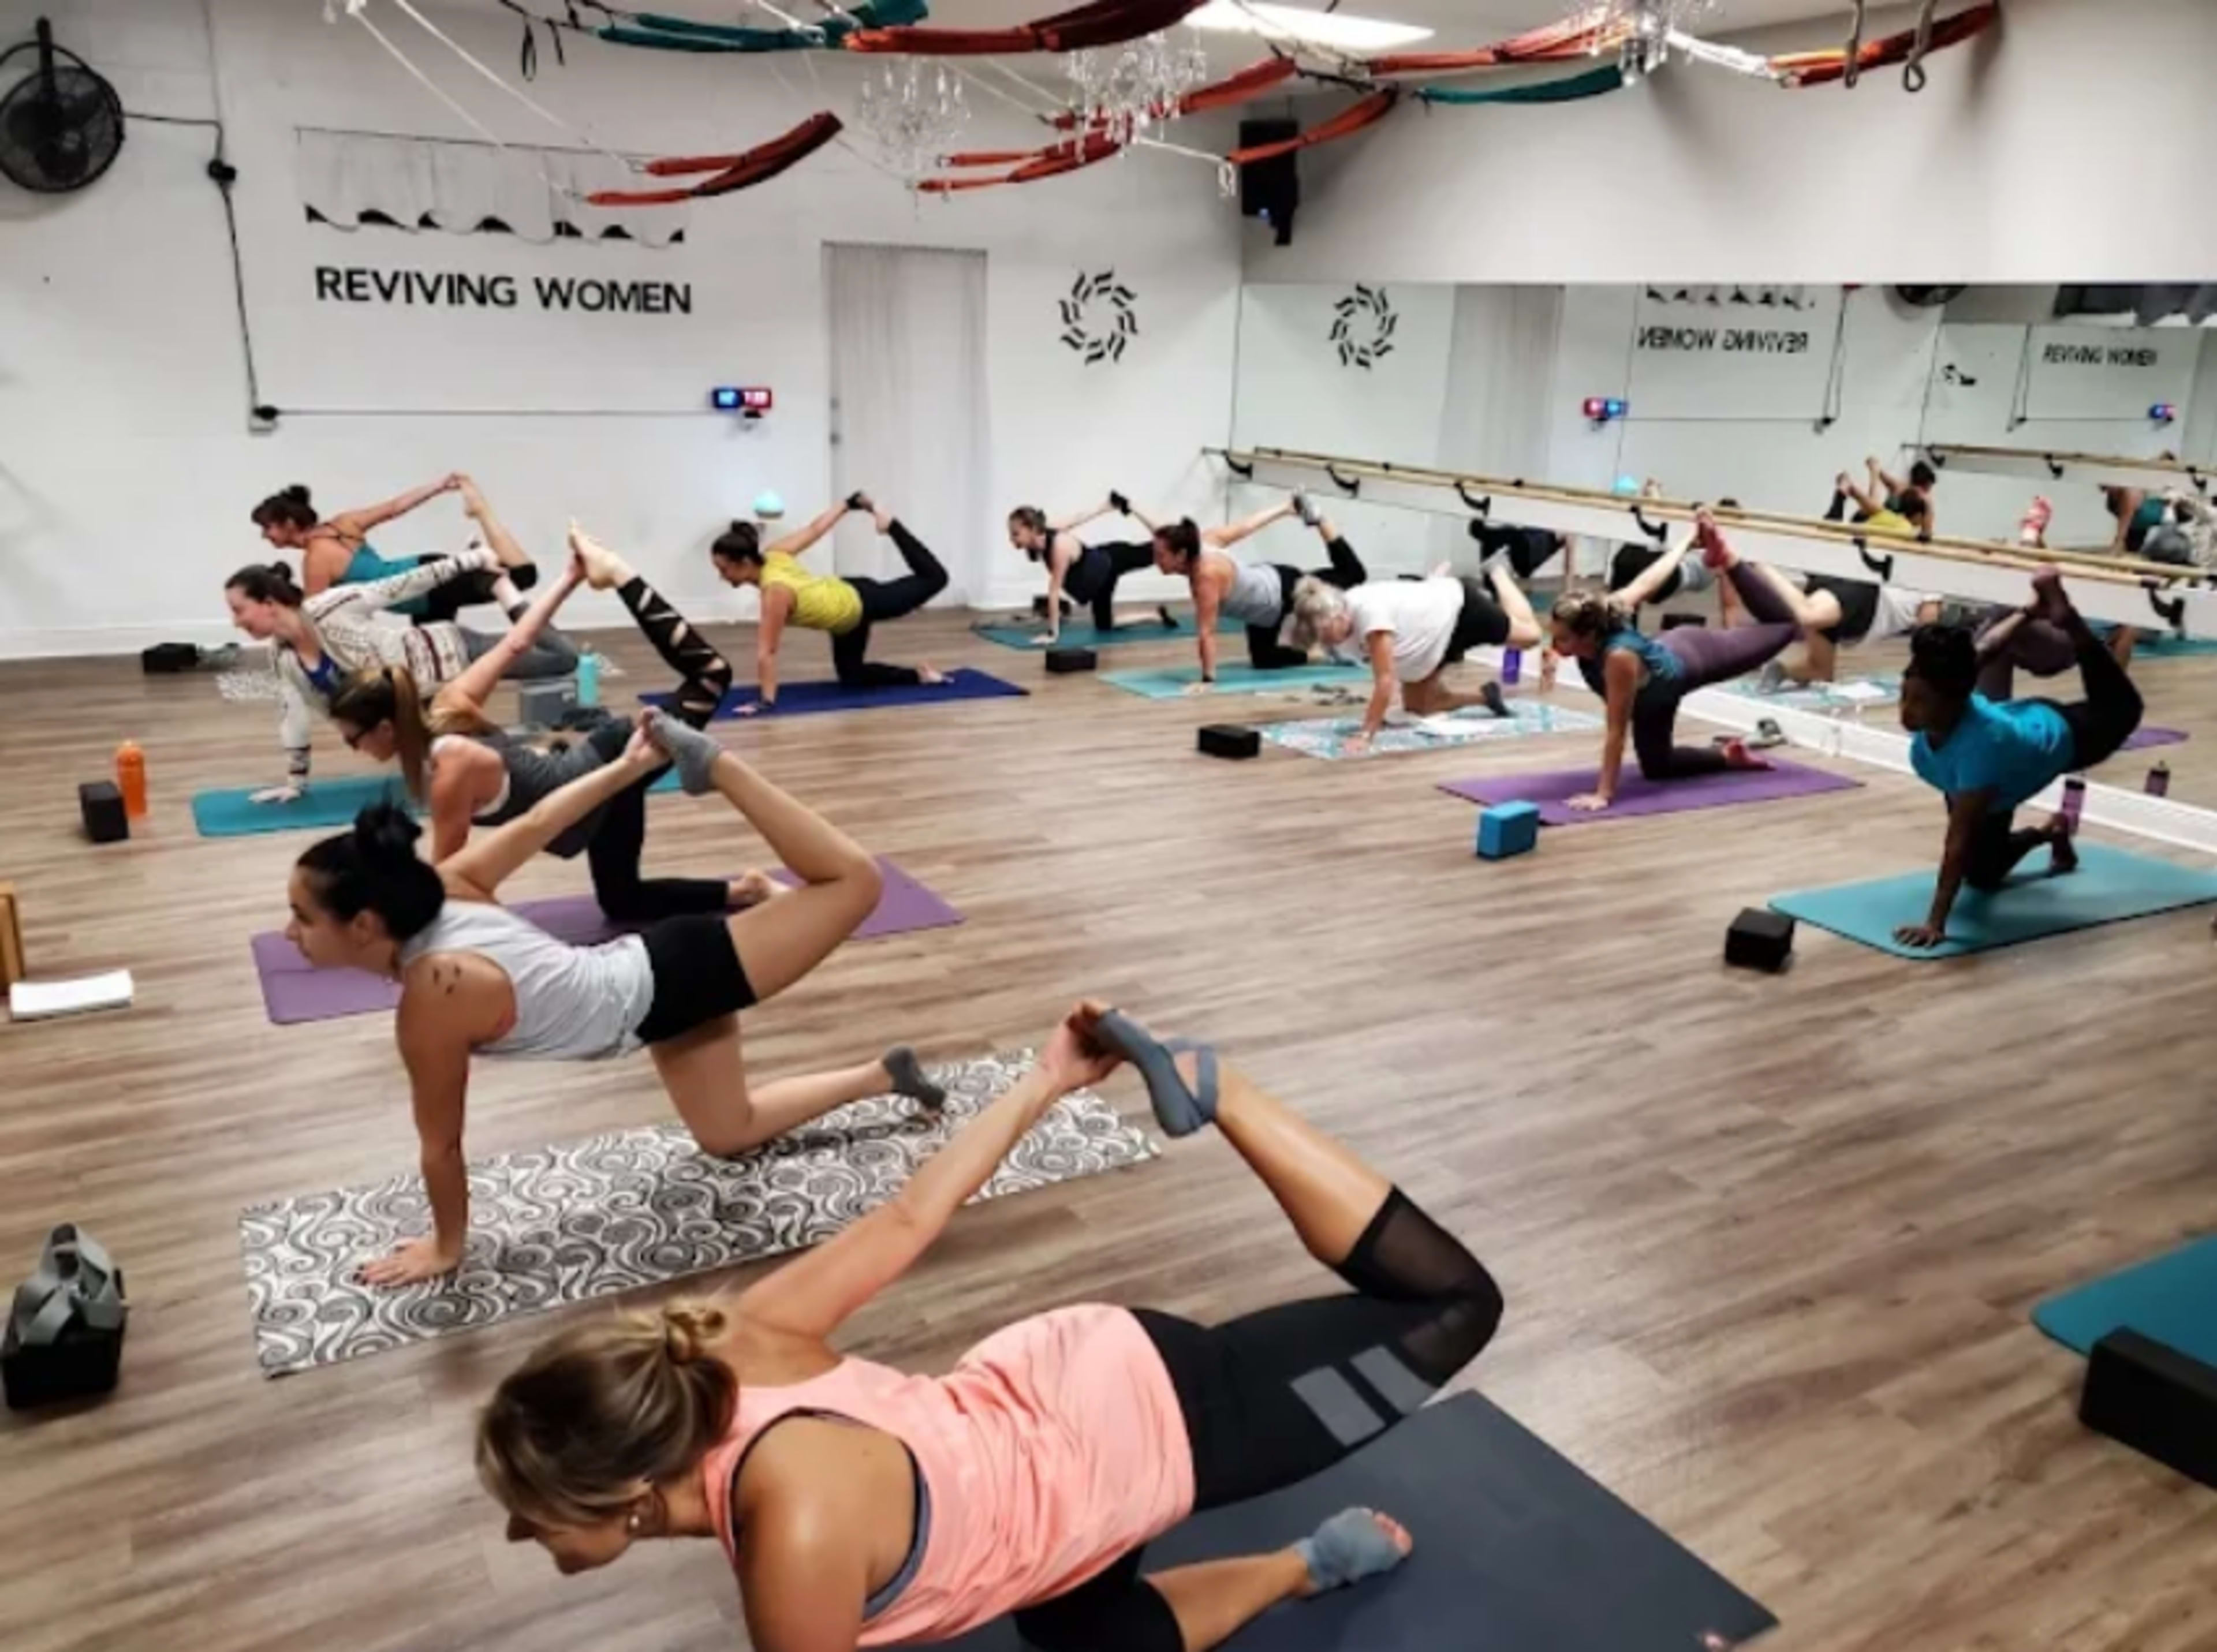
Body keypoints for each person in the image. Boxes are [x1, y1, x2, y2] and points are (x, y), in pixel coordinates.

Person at [477, 1001, 1503, 1652]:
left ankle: (1220, 1088)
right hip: (1043, 1405)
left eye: (534, 1510)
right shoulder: (729, 1341)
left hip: (1135, 1428)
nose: (525, 1532)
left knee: (1456, 1305)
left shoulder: (796, 1535)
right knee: (1088, 1636)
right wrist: (1044, 1079)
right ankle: (1304, 1565)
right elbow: (908, 1215)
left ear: (620, 1489)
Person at [283, 712, 945, 1286]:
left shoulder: (433, 996)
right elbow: (544, 819)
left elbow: (442, 1146)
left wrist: (446, 1248)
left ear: (366, 925)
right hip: (653, 994)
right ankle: (882, 1076)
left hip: (678, 976)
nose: (291, 933)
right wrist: (628, 767)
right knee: (726, 1133)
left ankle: (719, 768)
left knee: (856, 882)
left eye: (303, 918)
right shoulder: (447, 885)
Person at [329, 525, 775, 923]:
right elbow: (518, 641)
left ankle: (620, 572)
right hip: (597, 791)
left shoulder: (450, 767)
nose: (353, 749)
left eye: (354, 738)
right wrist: (569, 578)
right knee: (623, 903)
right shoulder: (448, 706)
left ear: (386, 728)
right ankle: (746, 891)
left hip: (613, 762)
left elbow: (453, 876)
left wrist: (393, 927)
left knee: (712, 675)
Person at [226, 488, 580, 804]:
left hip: (452, 651)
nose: (236, 622)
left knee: (563, 659)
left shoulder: (330, 605)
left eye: (240, 610)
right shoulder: (282, 657)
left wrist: (471, 561)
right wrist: (295, 782)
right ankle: (541, 758)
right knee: (456, 755)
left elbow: (400, 585)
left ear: (270, 602)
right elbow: (293, 714)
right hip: (420, 700)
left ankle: (504, 591)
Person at [1894, 569, 2144, 949]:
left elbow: (1956, 843)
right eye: (1904, 696)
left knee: (2124, 708)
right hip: (2008, 756)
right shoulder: (1950, 686)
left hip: (2068, 735)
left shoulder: (1977, 754)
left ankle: (2071, 624)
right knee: (1982, 875)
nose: (1906, 713)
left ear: (1951, 702)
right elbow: (1989, 647)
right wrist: (2028, 611)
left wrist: (1935, 923)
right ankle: (2050, 830)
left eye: (1920, 702)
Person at [1548, 513, 1842, 810]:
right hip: (1654, 695)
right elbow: (1649, 581)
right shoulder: (1603, 614)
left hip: (1693, 655)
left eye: (1562, 639)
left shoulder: (1619, 658)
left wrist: (1603, 794)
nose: (1555, 644)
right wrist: (1686, 542)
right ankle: (1729, 756)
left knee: (1785, 626)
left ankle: (1730, 561)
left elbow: (1616, 731)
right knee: (1657, 768)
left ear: (1587, 635)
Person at [710, 494, 949, 713]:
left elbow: (767, 652)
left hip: (863, 600)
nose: (722, 576)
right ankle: (920, 675)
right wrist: (848, 504)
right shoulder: (774, 554)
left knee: (936, 578)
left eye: (724, 569)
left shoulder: (775, 592)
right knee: (852, 678)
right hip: (843, 620)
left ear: (743, 562)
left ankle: (892, 526)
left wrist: (765, 701)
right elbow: (814, 530)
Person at [1284, 564, 1543, 757]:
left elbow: (1385, 680)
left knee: (1530, 636)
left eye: (1327, 636)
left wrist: (1366, 733)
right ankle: (1485, 696)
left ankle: (1498, 573)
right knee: (1420, 708)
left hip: (1460, 610)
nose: (1329, 644)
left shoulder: (1370, 615)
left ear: (1339, 616)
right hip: (1431, 639)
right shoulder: (1340, 620)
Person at [1148, 494, 1365, 683]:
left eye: (1160, 556)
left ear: (1182, 555)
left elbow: (1207, 633)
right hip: (1260, 612)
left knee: (1354, 574)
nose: (1155, 560)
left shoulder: (1205, 576)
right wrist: (1285, 508)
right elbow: (1247, 526)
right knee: (1264, 660)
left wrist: (1207, 679)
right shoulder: (1205, 541)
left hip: (1285, 590)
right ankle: (1319, 652)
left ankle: (1319, 519)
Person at [251, 474, 536, 616]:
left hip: (428, 587)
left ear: (289, 523)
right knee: (436, 669)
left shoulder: (315, 560)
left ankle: (481, 510)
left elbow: (316, 619)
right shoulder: (343, 524)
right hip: (423, 583)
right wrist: (438, 485)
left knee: (522, 576)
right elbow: (395, 507)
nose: (265, 536)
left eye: (268, 528)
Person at [1007, 494, 1175, 645]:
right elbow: (1076, 519)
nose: (1012, 539)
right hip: (1099, 583)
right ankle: (1156, 616)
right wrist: (1104, 507)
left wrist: (1052, 634)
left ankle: (1142, 512)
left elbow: (1054, 591)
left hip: (1112, 559)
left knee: (1162, 548)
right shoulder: (1044, 533)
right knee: (1104, 626)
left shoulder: (1059, 546)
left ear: (1032, 529)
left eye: (1016, 534)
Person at [2103, 485, 2168, 559]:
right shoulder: (2114, 493)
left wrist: (2119, 542)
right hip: (2136, 528)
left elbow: (2126, 515)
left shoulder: (2131, 493)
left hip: (2158, 523)